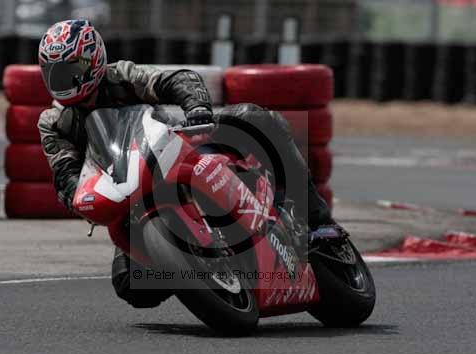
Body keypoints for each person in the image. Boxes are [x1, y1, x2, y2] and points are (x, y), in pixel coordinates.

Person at [37, 19, 332, 309]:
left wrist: (197, 108)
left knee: (255, 118)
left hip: (173, 150)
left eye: (69, 71)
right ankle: (196, 270)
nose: (61, 81)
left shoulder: (121, 76)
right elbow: (65, 174)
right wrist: (83, 200)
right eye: (53, 73)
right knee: (131, 284)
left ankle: (317, 221)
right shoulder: (53, 122)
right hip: (129, 194)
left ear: (92, 62)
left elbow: (174, 80)